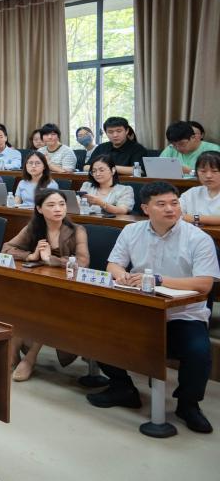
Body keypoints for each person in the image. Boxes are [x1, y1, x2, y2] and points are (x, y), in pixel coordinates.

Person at [92, 182, 219, 433]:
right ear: (145, 208)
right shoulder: (131, 230)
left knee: (198, 352)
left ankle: (188, 404)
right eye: (161, 204)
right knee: (99, 332)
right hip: (142, 308)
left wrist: (158, 280)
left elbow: (204, 284)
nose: (170, 209)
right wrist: (122, 275)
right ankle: (122, 388)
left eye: (174, 203)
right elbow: (113, 265)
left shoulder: (198, 238)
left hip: (183, 314)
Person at [2, 189, 90, 382]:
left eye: (62, 204)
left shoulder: (77, 230)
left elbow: (83, 262)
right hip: (39, 285)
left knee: (46, 306)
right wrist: (31, 256)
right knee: (18, 299)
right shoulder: (33, 227)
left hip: (68, 290)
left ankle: (30, 358)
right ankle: (14, 348)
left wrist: (53, 260)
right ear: (39, 209)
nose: (58, 209)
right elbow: (7, 248)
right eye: (51, 205)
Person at [180, 151, 220, 226]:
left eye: (215, 171)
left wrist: (195, 218)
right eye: (203, 171)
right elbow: (175, 213)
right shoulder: (192, 192)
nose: (208, 176)